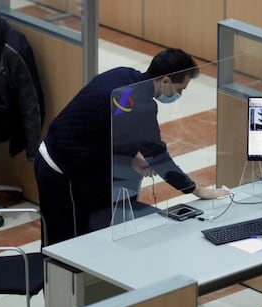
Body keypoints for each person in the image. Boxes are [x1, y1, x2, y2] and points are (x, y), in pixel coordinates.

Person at [34, 48, 230, 245]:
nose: (179, 94)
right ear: (165, 81)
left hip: (75, 157)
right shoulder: (141, 106)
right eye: (180, 89)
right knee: (65, 243)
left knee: (89, 232)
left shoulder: (122, 75)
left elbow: (104, 128)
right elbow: (158, 157)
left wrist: (130, 158)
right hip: (60, 169)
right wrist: (197, 190)